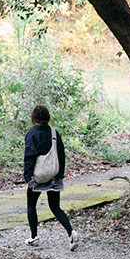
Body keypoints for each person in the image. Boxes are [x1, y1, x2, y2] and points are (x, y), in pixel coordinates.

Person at [23, 104, 77, 250]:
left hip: (38, 175)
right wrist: (60, 175)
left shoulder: (32, 133)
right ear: (48, 117)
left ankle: (34, 237)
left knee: (31, 205)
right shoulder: (54, 132)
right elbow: (61, 155)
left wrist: (27, 176)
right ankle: (71, 233)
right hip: (53, 174)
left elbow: (29, 156)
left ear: (34, 118)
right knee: (55, 207)